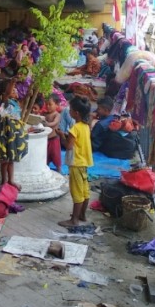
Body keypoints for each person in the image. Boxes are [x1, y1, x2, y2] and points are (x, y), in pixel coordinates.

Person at [55, 96, 93, 227]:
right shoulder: (86, 126)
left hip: (76, 163)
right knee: (84, 191)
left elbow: (69, 146)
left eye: (70, 109)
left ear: (76, 113)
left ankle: (74, 220)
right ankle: (82, 215)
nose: (69, 111)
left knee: (77, 192)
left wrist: (61, 136)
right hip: (84, 162)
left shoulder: (74, 128)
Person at [43, 94, 62, 173]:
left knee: (55, 155)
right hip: (46, 139)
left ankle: (59, 169)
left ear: (57, 105)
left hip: (54, 139)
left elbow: (54, 123)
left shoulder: (57, 115)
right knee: (45, 155)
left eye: (50, 104)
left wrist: (46, 123)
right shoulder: (45, 114)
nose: (48, 106)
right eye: (46, 104)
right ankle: (45, 168)